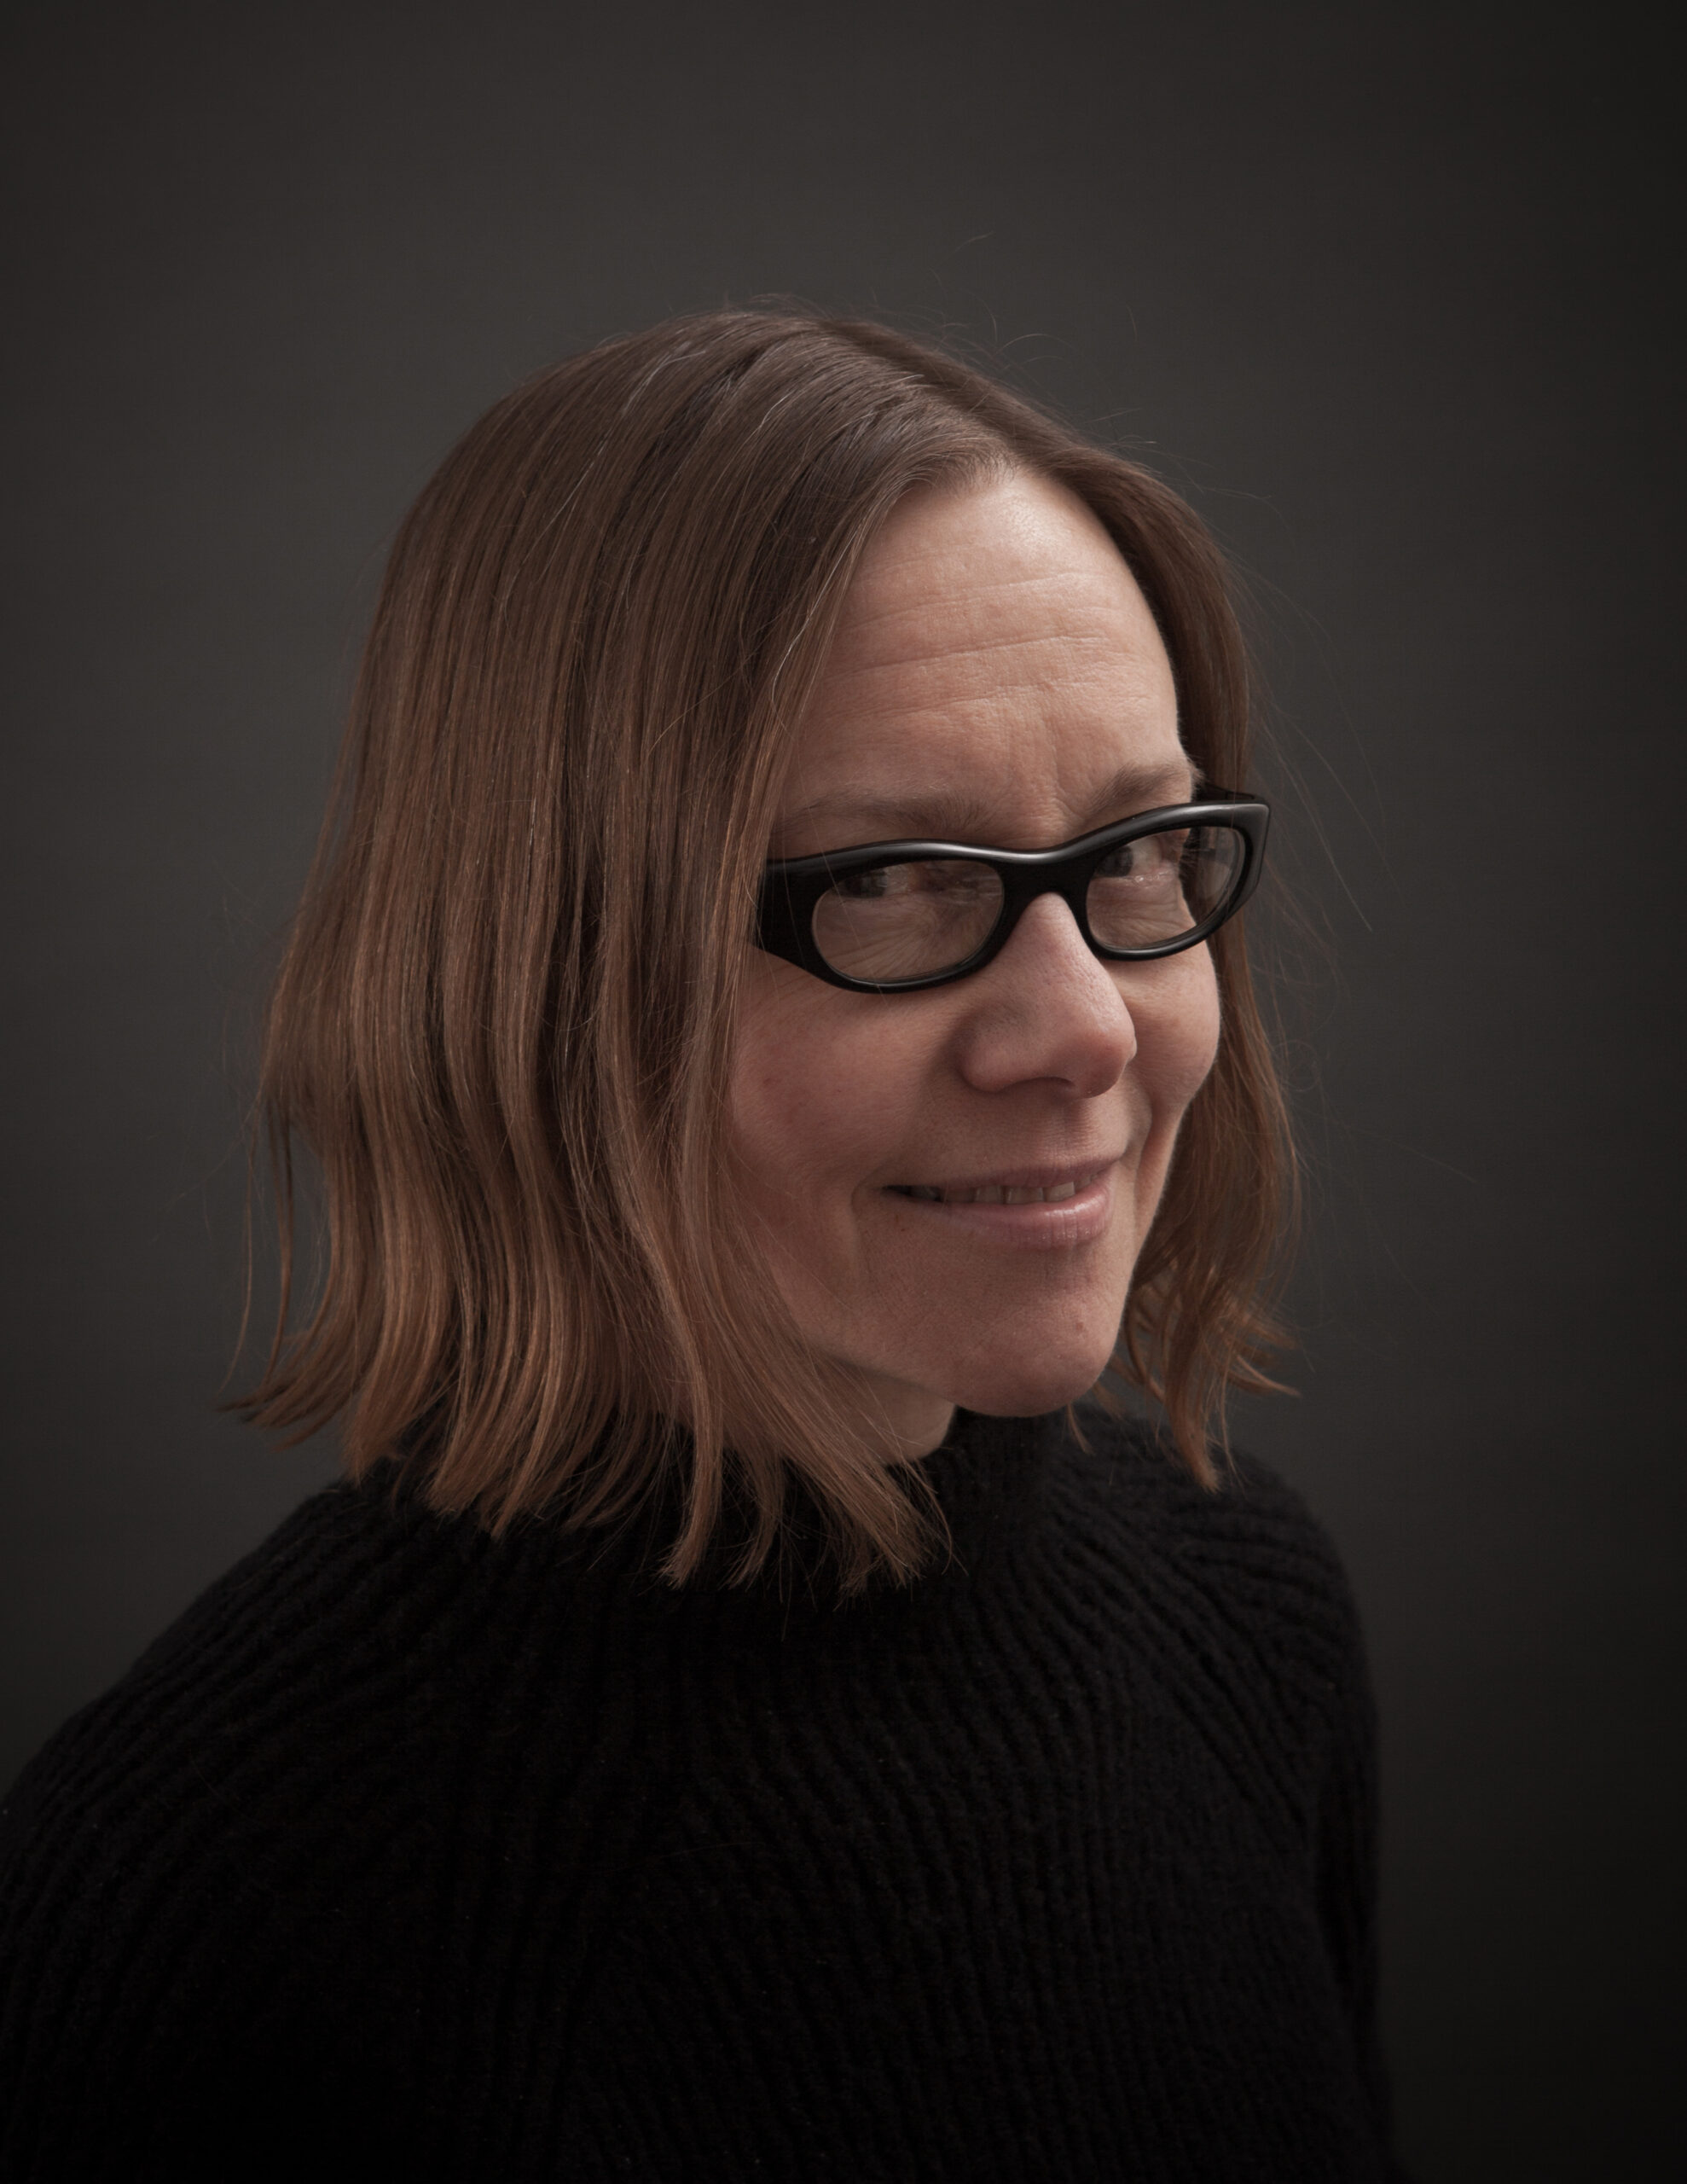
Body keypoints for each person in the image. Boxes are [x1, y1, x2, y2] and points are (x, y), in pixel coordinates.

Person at [0, 311, 1401, 2181]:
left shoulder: (1246, 1619)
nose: (1082, 1029)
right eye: (892, 881)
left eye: (1138, 853)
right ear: (540, 977)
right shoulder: (192, 1895)